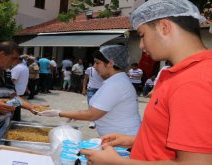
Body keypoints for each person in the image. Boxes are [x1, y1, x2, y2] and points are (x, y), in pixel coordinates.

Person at [80, 0, 212, 164]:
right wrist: (136, 140)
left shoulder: (194, 81)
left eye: (142, 35)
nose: (141, 45)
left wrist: (117, 162)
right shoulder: (179, 74)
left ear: (164, 27)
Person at [39, 45, 141, 137]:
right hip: (116, 137)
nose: (94, 67)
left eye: (97, 63)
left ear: (110, 63)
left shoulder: (116, 84)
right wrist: (77, 115)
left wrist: (59, 113)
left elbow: (92, 114)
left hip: (123, 139)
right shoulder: (115, 81)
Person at [11, 56, 29, 121]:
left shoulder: (17, 68)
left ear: (17, 60)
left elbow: (12, 79)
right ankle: (16, 119)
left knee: (14, 107)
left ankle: (15, 120)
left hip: (16, 90)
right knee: (17, 107)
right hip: (21, 89)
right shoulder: (25, 67)